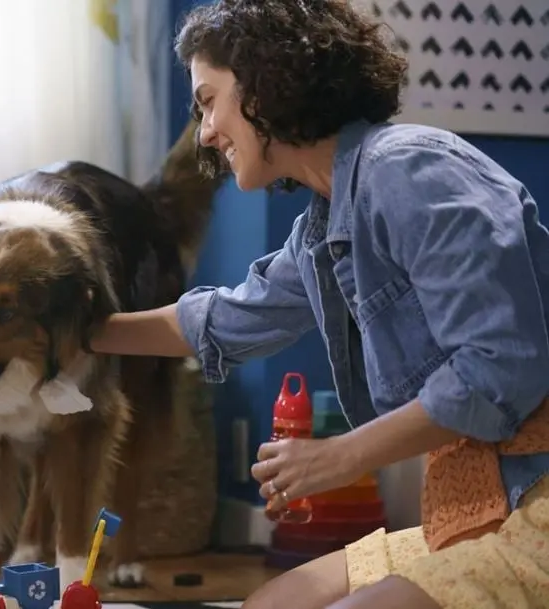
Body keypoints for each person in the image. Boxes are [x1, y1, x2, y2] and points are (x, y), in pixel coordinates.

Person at [91, 1, 549, 608]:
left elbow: (499, 367)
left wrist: (339, 456)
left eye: (208, 101)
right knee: (270, 603)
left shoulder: (409, 171)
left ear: (263, 82)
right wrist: (82, 333)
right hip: (480, 507)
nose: (204, 132)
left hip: (536, 502)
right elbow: (226, 318)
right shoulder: (324, 228)